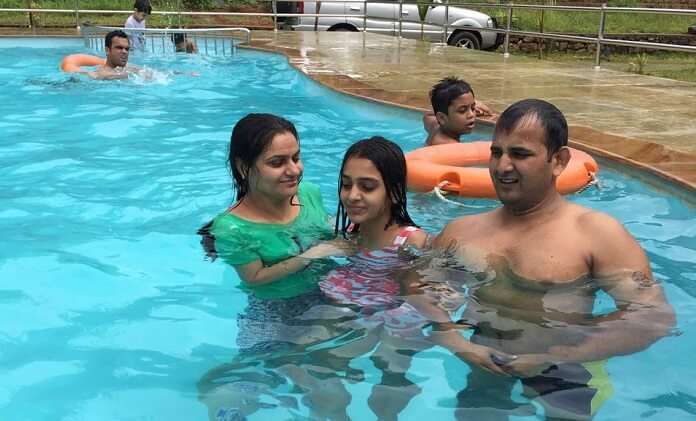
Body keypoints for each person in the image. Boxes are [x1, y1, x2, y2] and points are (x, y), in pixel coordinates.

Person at [407, 99, 676, 420]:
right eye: (496, 153)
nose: (502, 166)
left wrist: (556, 355)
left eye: (519, 154)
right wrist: (455, 341)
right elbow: (422, 291)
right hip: (482, 358)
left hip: (562, 366)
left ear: (559, 160)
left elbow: (652, 318)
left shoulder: (597, 235)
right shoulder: (461, 232)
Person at [306, 136, 434, 420]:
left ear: (395, 192)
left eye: (367, 186)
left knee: (387, 379)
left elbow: (420, 294)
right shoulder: (352, 230)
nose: (352, 195)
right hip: (354, 309)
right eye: (346, 184)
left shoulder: (411, 242)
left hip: (394, 318)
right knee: (314, 363)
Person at [424, 76, 494, 146]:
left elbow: (428, 115)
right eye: (462, 111)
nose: (471, 115)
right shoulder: (448, 146)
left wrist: (465, 103)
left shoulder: (435, 127)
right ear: (442, 118)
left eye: (473, 108)